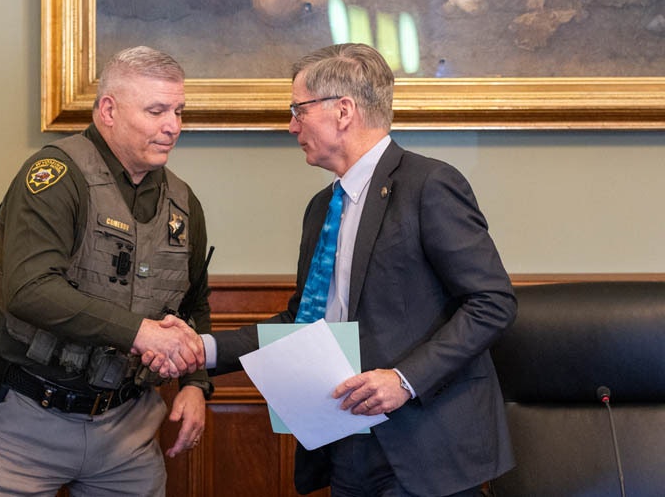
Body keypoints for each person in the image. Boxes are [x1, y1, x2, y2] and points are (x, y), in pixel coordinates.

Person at [150, 43, 517, 496]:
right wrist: (199, 349)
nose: (291, 126)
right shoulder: (322, 207)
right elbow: (303, 324)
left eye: (298, 110)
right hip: (346, 443)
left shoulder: (429, 186)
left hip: (425, 445)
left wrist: (404, 380)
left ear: (343, 111)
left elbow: (492, 302)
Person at [0, 45, 212, 497]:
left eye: (178, 111)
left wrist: (195, 383)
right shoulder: (56, 176)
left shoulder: (182, 201)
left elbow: (193, 303)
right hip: (26, 421)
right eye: (156, 111)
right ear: (109, 110)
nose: (173, 126)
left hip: (128, 429)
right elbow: (28, 290)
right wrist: (142, 333)